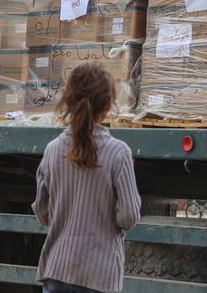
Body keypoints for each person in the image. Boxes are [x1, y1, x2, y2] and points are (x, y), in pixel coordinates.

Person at [32, 63, 141, 293]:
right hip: (98, 277)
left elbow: (42, 214)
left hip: (56, 270)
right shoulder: (119, 153)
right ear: (108, 105)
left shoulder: (52, 150)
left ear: (69, 100)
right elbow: (128, 218)